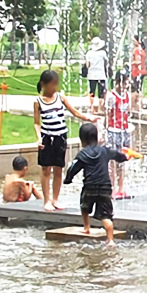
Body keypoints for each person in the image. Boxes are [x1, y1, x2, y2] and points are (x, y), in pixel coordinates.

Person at [34, 70, 97, 212]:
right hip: (46, 137)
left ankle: (55, 199)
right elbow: (36, 123)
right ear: (44, 85)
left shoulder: (61, 98)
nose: (54, 87)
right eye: (52, 84)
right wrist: (39, 137)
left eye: (56, 84)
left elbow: (74, 112)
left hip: (60, 136)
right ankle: (46, 200)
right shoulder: (37, 101)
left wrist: (88, 118)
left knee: (58, 168)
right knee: (45, 169)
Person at [64, 123, 130, 245]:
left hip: (89, 186)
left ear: (82, 139)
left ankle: (86, 227)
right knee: (106, 215)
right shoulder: (105, 150)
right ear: (97, 136)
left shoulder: (82, 154)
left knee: (84, 206)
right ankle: (110, 240)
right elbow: (117, 155)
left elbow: (73, 168)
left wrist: (68, 179)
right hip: (105, 187)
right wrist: (125, 157)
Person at [105, 71, 133, 199]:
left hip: (124, 131)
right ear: (117, 82)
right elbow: (107, 114)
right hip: (113, 130)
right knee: (112, 161)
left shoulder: (127, 95)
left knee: (123, 160)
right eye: (123, 82)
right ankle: (112, 188)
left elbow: (128, 112)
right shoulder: (111, 96)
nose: (126, 85)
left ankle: (121, 188)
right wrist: (105, 130)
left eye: (127, 82)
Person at [85, 37, 109, 115]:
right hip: (101, 75)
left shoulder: (89, 53)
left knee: (92, 91)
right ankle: (99, 108)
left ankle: (92, 108)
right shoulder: (102, 53)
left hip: (91, 75)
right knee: (101, 92)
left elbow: (87, 65)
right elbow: (106, 62)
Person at [130, 35, 147, 113]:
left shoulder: (136, 50)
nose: (133, 42)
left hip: (136, 72)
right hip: (142, 71)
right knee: (139, 89)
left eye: (134, 40)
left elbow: (138, 61)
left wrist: (130, 63)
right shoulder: (142, 50)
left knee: (134, 90)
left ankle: (133, 106)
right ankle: (140, 104)